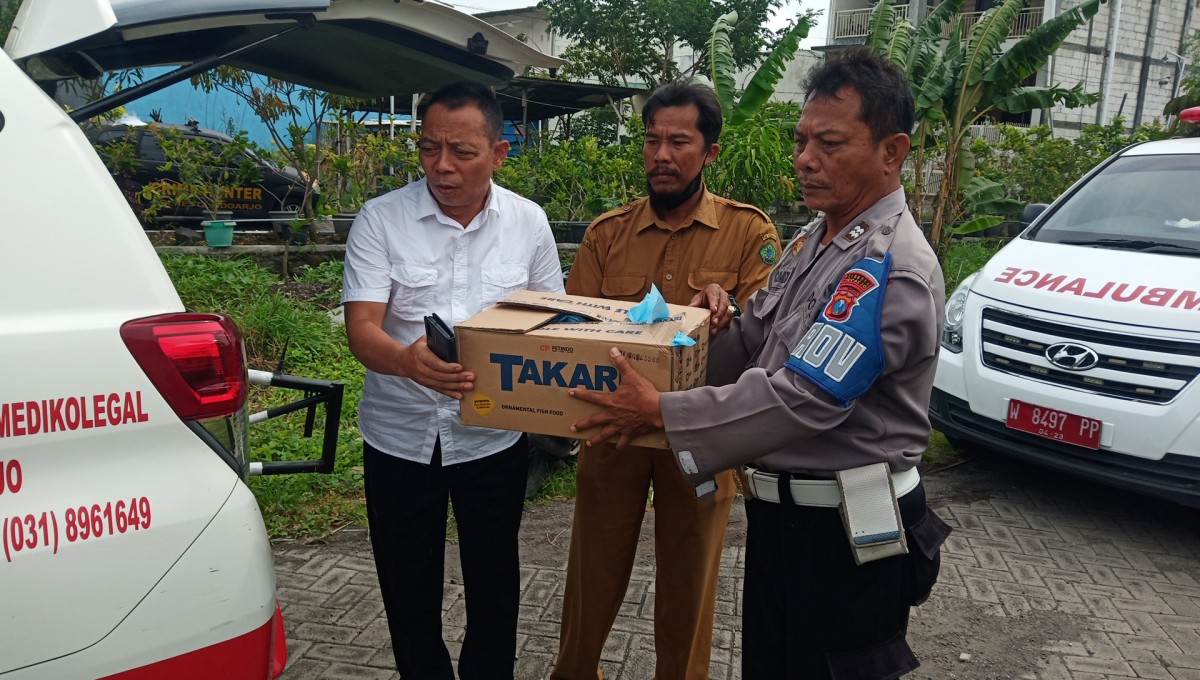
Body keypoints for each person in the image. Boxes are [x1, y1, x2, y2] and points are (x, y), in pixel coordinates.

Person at [567, 48, 954, 678]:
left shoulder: (888, 268)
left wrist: (663, 409)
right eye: (802, 140)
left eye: (830, 143)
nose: (805, 159)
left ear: (892, 151)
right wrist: (704, 329)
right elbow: (751, 338)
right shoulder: (815, 241)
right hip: (783, 516)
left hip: (846, 525)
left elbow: (806, 396)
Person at [552, 81, 781, 680]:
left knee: (689, 584)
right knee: (593, 574)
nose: (661, 155)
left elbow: (765, 344)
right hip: (615, 429)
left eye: (679, 142)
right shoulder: (608, 234)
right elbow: (574, 332)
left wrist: (726, 309)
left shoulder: (749, 234)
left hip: (701, 436)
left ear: (710, 152)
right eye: (652, 140)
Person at [341, 81, 565, 680]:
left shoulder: (528, 222)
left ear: (498, 153)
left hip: (494, 438)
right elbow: (361, 328)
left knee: (495, 585)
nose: (442, 166)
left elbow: (553, 321)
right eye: (429, 148)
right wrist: (406, 360)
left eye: (462, 151)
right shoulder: (381, 220)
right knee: (408, 589)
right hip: (400, 438)